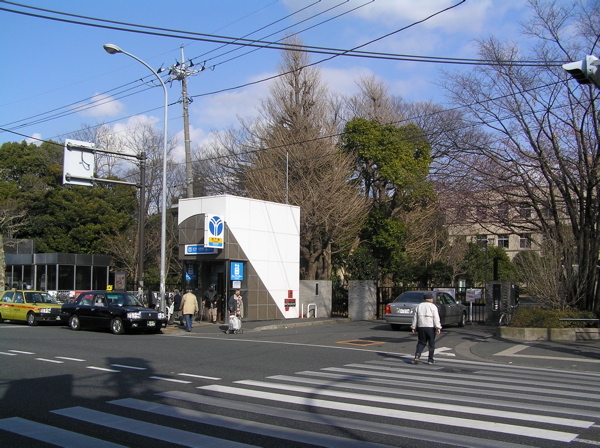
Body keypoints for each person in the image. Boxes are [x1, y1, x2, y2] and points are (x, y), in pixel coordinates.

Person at [411, 291, 442, 365]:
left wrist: (413, 327)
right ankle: (430, 359)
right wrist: (438, 327)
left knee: (421, 342)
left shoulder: (419, 306)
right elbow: (436, 318)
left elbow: (415, 318)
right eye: (432, 298)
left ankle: (417, 355)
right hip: (430, 327)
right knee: (431, 344)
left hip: (421, 327)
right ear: (430, 299)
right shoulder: (433, 306)